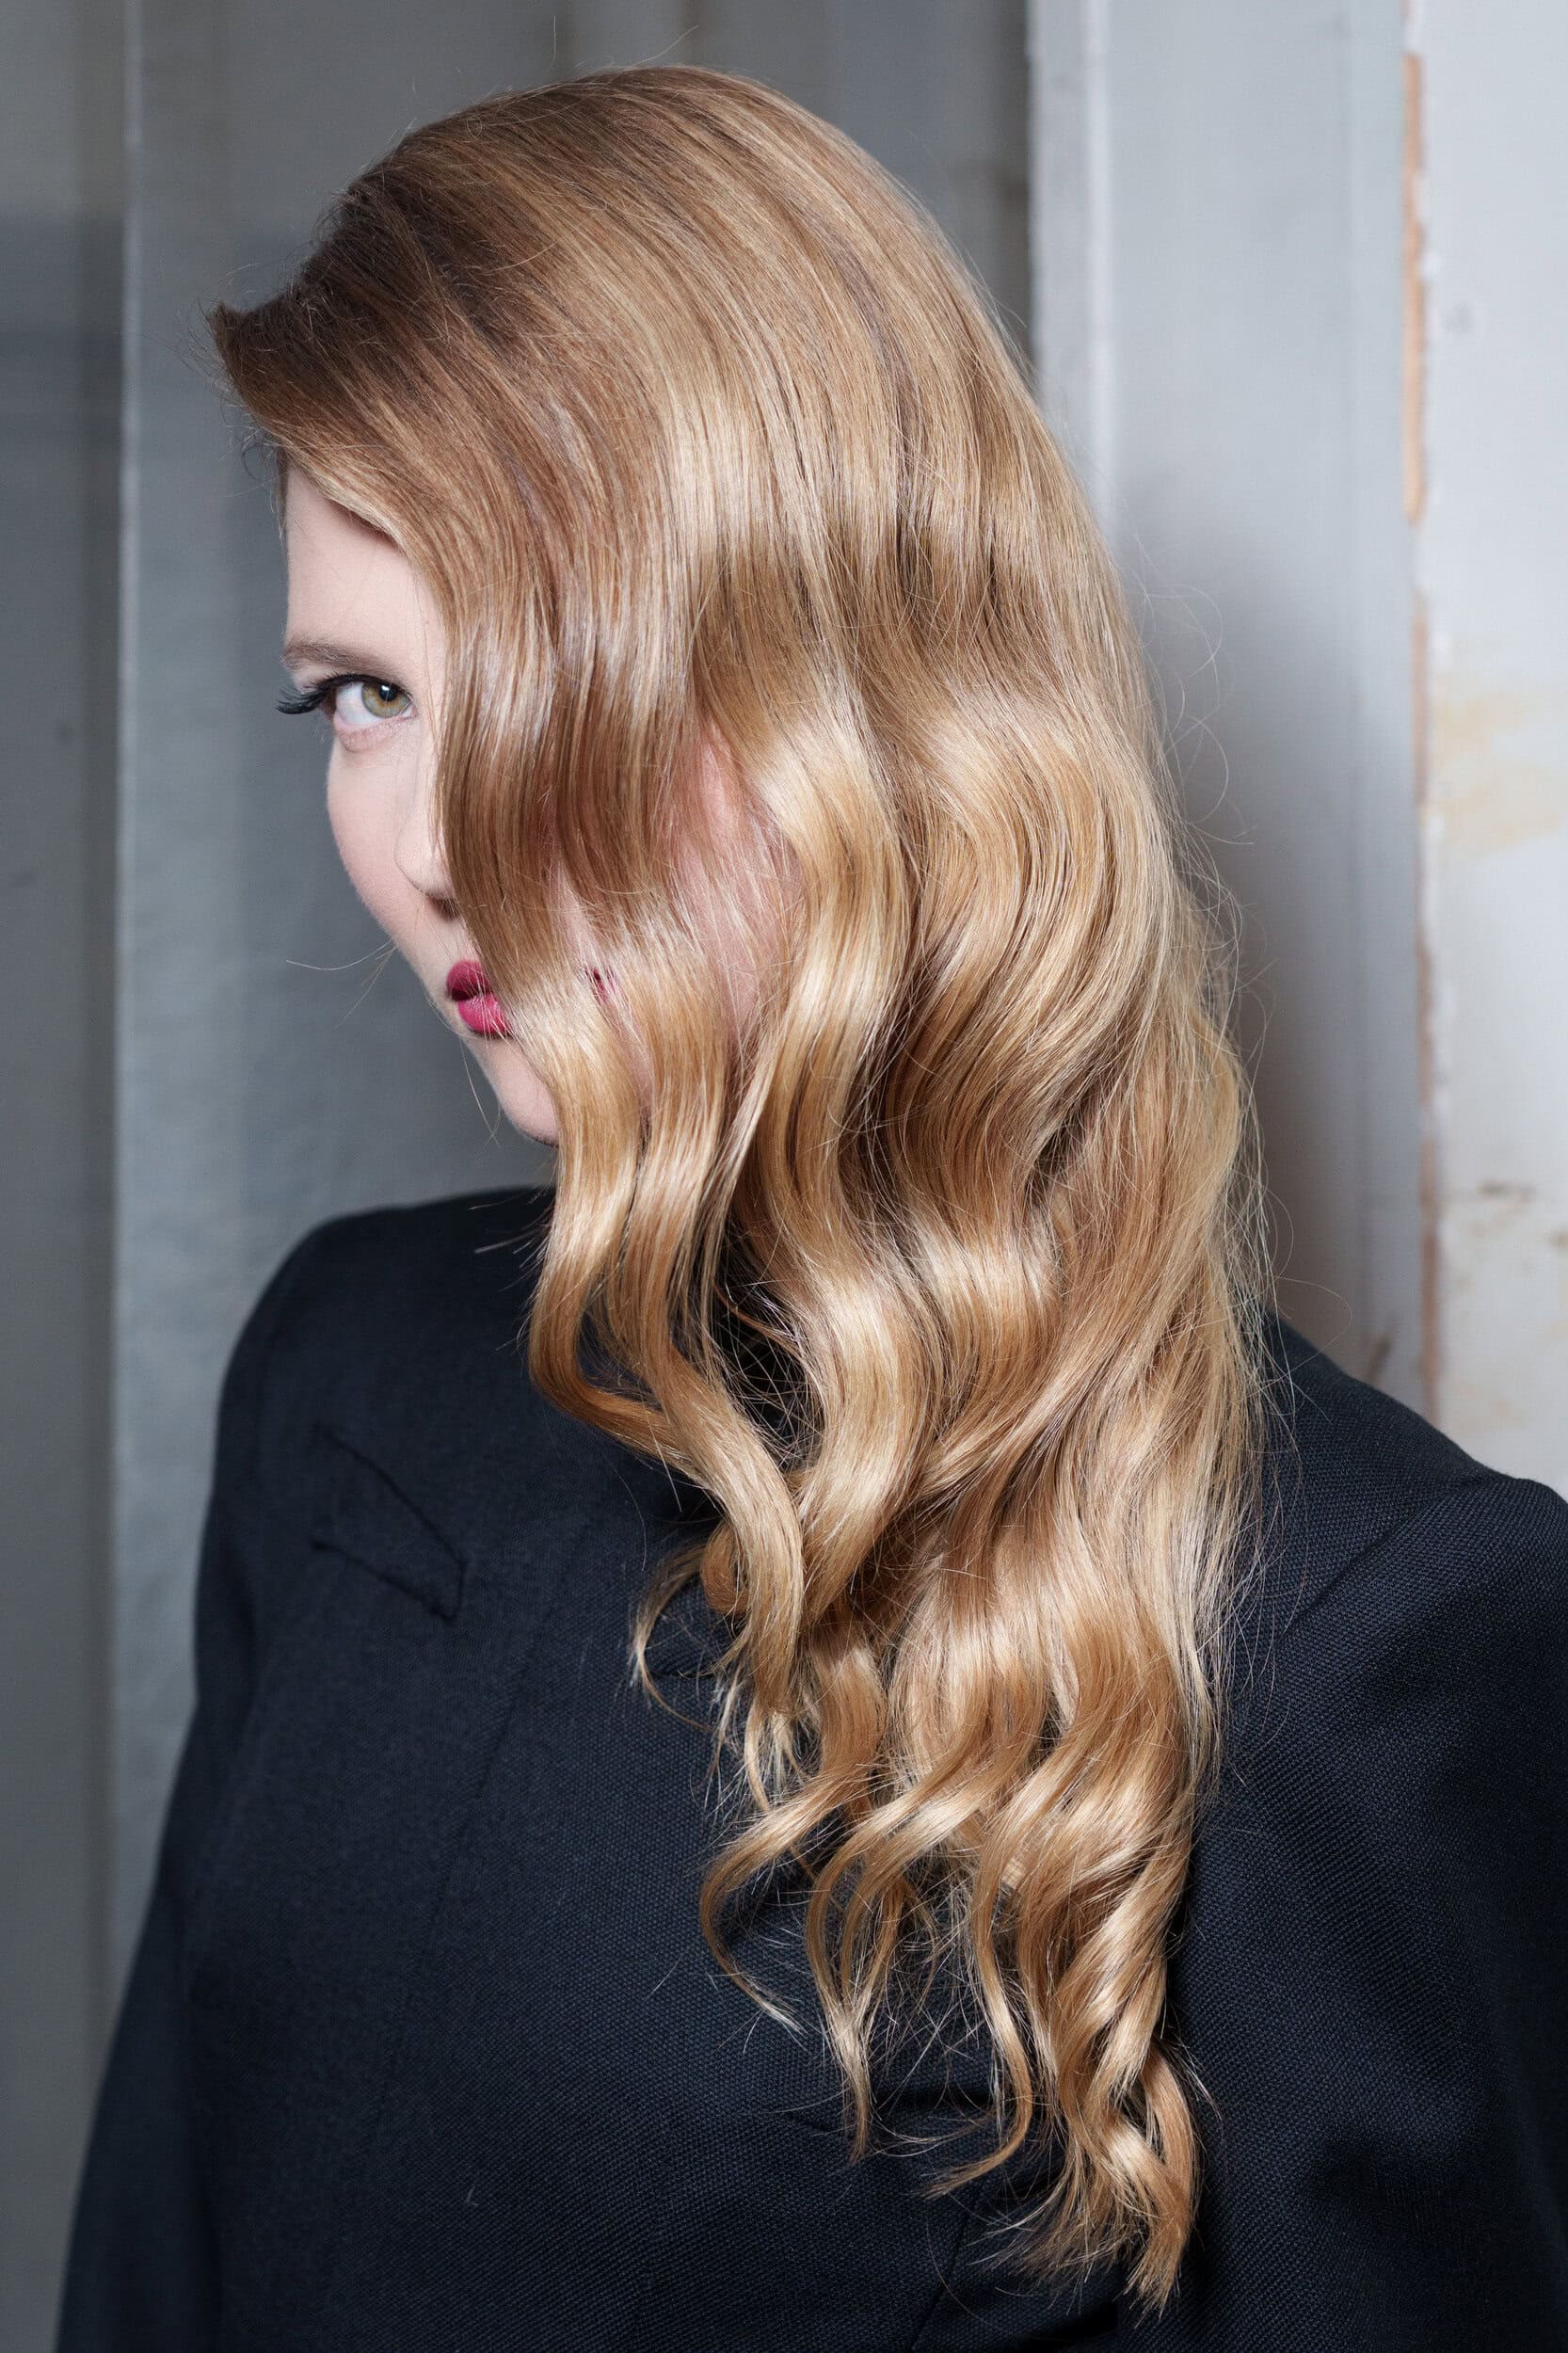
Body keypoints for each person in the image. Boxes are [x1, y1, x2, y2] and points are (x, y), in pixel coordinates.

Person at [54, 64, 1568, 2353]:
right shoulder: (343, 1381)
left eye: (565, 666)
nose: (436, 839)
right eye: (361, 694)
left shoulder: (1362, 1633)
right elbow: (152, 2252)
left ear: (876, 689)